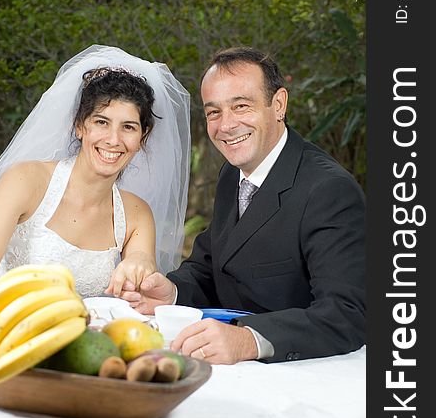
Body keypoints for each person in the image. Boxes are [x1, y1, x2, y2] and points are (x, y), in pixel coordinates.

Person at [121, 47, 366, 365]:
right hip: (230, 365)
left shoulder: (329, 190)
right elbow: (211, 266)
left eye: (241, 106)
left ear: (278, 105)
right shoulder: (232, 173)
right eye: (214, 112)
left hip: (304, 372)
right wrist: (173, 293)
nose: (226, 126)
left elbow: (348, 314)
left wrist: (250, 340)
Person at [0, 45, 190, 300]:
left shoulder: (137, 214)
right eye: (101, 122)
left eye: (128, 127)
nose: (113, 140)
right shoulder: (26, 180)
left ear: (142, 137)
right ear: (80, 126)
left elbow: (143, 267)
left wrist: (139, 263)